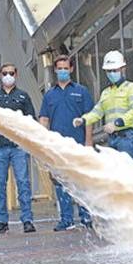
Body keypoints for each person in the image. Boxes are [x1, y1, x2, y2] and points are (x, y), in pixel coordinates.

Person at [39, 55, 94, 231]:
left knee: (81, 181)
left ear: (71, 69)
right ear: (55, 70)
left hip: (77, 145)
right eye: (59, 68)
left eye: (65, 68)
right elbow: (44, 120)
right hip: (57, 147)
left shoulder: (81, 91)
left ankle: (86, 217)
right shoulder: (49, 95)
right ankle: (66, 219)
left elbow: (89, 118)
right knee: (60, 182)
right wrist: (43, 144)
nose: (62, 71)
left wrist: (88, 142)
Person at [0, 63, 36, 234]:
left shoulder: (23, 96)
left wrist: (31, 141)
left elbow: (30, 120)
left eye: (11, 73)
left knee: (23, 183)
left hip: (18, 146)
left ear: (16, 74)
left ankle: (27, 220)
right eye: (5, 73)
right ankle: (1, 221)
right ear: (0, 74)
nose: (8, 76)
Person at [73, 50, 133, 160]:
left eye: (114, 70)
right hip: (112, 137)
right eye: (109, 71)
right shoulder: (106, 92)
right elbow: (97, 111)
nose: (111, 74)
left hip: (126, 137)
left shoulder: (131, 88)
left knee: (125, 172)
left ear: (122, 69)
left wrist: (116, 124)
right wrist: (83, 120)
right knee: (113, 173)